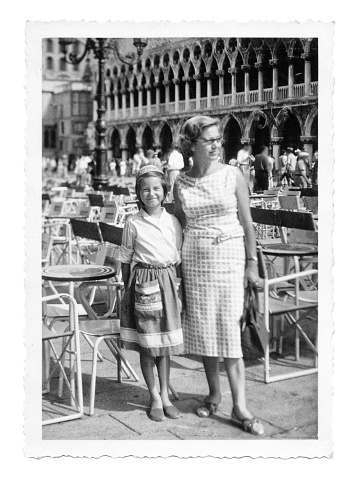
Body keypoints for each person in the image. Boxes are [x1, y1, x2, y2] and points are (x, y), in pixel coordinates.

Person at [174, 115, 264, 436]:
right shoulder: (181, 182)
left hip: (229, 254)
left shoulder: (232, 174)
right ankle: (214, 393)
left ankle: (240, 405)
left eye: (217, 139)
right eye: (208, 140)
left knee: (228, 326)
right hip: (195, 256)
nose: (215, 144)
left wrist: (251, 263)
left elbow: (247, 222)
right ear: (191, 145)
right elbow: (181, 224)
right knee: (203, 327)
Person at [119, 165, 184, 423]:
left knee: (164, 343)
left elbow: (177, 256)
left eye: (156, 188)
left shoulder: (173, 222)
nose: (151, 194)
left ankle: (166, 396)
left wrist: (176, 289)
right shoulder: (133, 222)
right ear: (138, 193)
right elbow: (125, 258)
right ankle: (154, 396)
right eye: (145, 189)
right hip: (142, 282)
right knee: (148, 344)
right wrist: (127, 290)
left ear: (164, 191)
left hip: (166, 282)